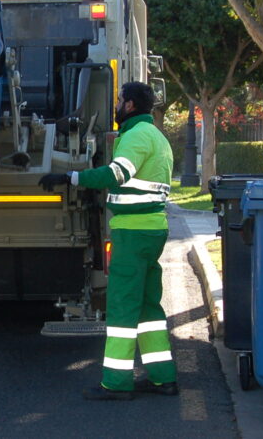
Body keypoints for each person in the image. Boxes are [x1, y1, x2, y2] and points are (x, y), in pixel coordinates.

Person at [38, 81, 178, 401]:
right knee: (147, 307)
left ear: (129, 105)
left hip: (132, 232)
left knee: (121, 309)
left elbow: (116, 174)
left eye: (118, 101)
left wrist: (70, 177)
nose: (116, 106)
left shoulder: (136, 136)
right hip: (152, 230)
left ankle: (116, 383)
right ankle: (163, 378)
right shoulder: (156, 135)